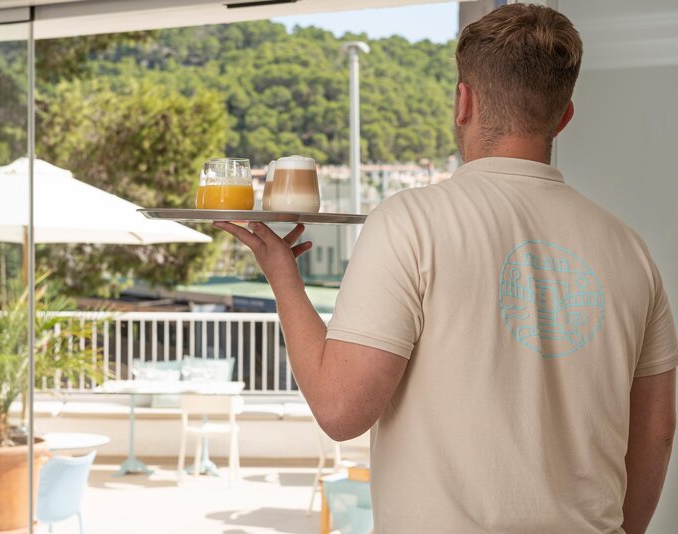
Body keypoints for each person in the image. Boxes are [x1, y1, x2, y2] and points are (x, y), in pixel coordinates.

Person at [216, 4, 677, 533]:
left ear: (463, 102)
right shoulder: (630, 250)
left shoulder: (411, 222)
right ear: (564, 116)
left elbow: (340, 410)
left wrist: (284, 280)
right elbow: (658, 431)